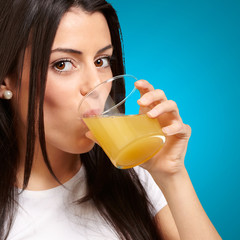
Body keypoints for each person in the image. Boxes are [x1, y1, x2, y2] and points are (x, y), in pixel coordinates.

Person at [0, 0, 221, 239]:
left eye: (101, 61)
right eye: (62, 64)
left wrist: (172, 176)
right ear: (6, 80)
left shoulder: (136, 179)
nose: (95, 86)